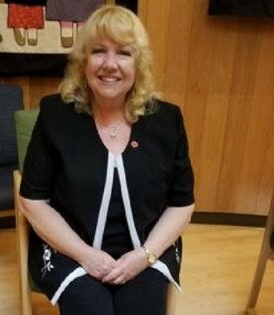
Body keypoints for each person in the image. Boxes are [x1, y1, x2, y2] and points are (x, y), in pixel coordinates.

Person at [19, 4, 195, 315]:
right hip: (70, 249)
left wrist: (144, 255)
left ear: (139, 63)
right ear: (83, 61)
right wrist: (86, 255)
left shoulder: (167, 121)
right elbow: (33, 200)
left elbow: (181, 203)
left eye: (124, 53)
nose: (110, 64)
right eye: (99, 51)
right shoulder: (54, 116)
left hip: (146, 249)